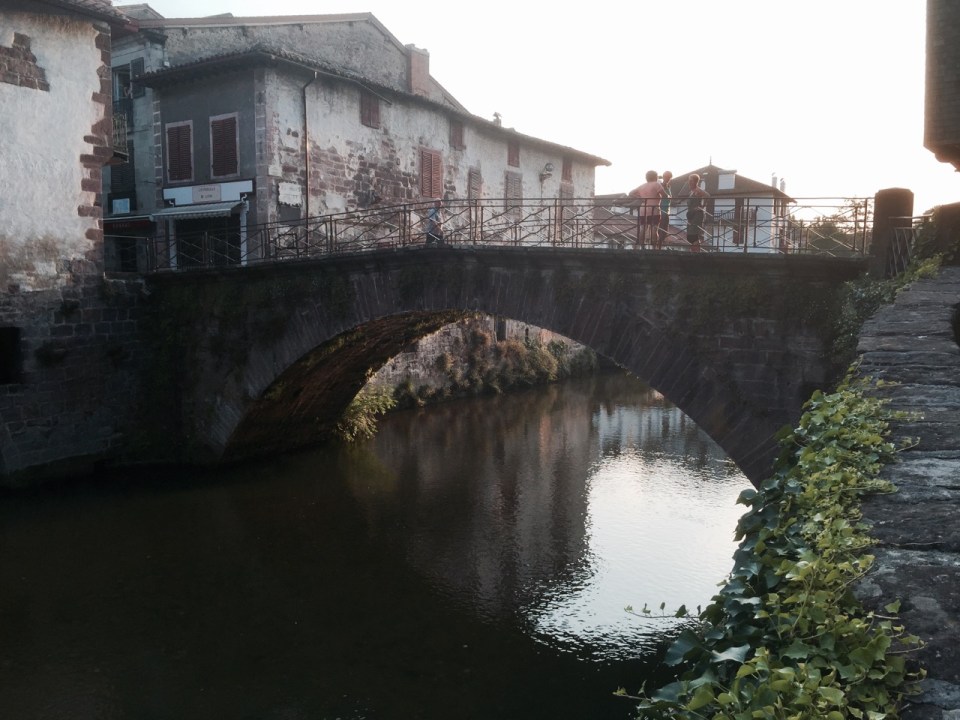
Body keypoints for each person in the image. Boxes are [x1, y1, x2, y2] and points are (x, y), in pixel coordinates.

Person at [628, 170, 665, 249]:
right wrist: (668, 196)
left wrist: (639, 197)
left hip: (643, 209)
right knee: (654, 229)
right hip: (654, 209)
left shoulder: (642, 186)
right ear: (655, 177)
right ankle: (654, 248)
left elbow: (630, 193)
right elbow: (664, 195)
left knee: (643, 228)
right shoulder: (656, 184)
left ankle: (642, 247)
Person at [681, 174, 710, 251]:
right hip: (691, 214)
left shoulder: (698, 190)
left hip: (697, 215)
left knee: (694, 235)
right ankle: (694, 252)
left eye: (691, 181)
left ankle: (696, 253)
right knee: (689, 236)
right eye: (689, 180)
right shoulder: (691, 191)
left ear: (696, 182)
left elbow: (707, 195)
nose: (689, 182)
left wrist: (702, 206)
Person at [657, 171, 673, 250]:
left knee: (664, 230)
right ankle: (658, 248)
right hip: (661, 210)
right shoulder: (660, 186)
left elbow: (670, 198)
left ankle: (660, 247)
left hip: (667, 210)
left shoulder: (668, 186)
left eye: (669, 177)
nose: (667, 178)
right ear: (663, 177)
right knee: (660, 229)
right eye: (666, 177)